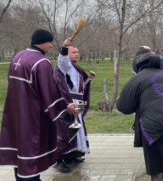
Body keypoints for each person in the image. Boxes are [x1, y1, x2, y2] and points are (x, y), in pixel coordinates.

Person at [0, 29, 76, 180]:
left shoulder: (18, 57)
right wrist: (66, 108)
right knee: (31, 158)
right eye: (50, 42)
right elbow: (49, 94)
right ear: (44, 42)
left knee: (19, 158)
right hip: (32, 119)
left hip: (15, 116)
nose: (51, 46)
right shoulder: (41, 62)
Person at [117, 51, 163, 181]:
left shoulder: (138, 78)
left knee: (157, 172)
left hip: (155, 129)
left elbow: (123, 107)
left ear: (138, 67)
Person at [54, 38, 96, 172]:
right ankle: (58, 159)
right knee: (65, 131)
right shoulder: (64, 66)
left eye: (77, 52)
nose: (77, 54)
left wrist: (88, 79)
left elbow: (80, 85)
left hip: (76, 102)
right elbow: (62, 60)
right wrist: (65, 46)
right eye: (73, 52)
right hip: (67, 103)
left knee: (76, 129)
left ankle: (72, 154)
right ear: (67, 54)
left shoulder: (76, 68)